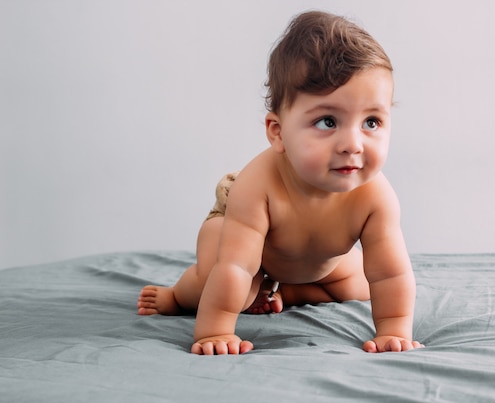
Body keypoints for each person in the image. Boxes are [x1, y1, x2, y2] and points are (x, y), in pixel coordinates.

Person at [137, 10, 423, 355]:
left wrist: (393, 330)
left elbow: (391, 275)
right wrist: (215, 332)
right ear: (278, 132)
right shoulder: (258, 186)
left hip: (310, 262)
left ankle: (284, 291)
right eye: (328, 121)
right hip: (239, 241)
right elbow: (236, 266)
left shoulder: (376, 197)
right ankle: (177, 294)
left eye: (372, 122)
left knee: (360, 285)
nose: (353, 144)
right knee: (232, 286)